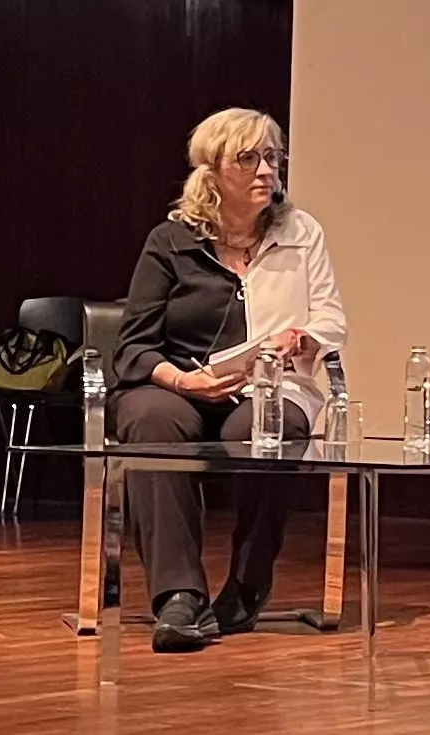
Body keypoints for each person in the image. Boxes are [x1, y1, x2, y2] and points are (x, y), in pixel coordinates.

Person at [112, 108, 347, 654]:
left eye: (272, 157)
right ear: (213, 168)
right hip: (180, 382)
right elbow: (134, 345)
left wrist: (301, 338)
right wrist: (183, 382)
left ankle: (247, 584)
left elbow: (332, 319)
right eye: (248, 158)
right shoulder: (171, 240)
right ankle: (179, 597)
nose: (266, 170)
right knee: (150, 420)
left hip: (272, 382)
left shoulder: (301, 232)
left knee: (268, 423)